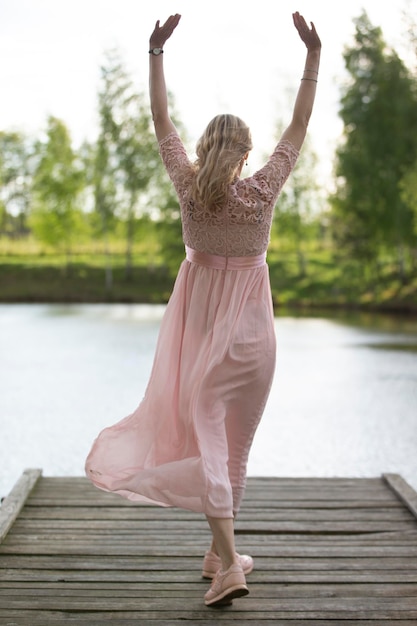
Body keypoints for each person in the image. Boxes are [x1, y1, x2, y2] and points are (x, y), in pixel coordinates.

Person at [86, 11, 321, 607]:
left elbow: (159, 119)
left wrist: (155, 53)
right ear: (244, 153)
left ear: (204, 147)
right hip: (255, 343)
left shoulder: (189, 189)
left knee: (210, 443)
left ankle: (228, 567)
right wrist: (312, 58)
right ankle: (222, 555)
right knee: (231, 447)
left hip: (209, 338)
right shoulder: (263, 189)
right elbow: (298, 124)